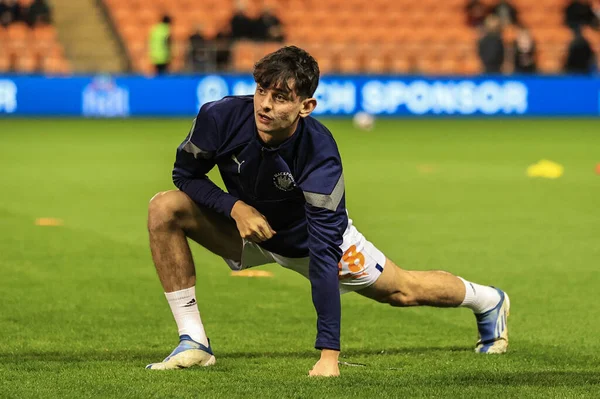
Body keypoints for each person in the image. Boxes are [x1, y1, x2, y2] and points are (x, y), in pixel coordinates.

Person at [145, 46, 511, 376]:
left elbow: (323, 253)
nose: (265, 105)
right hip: (251, 228)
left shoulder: (319, 154)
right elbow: (185, 175)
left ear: (306, 106)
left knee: (404, 290)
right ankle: (194, 342)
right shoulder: (220, 117)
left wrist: (328, 355)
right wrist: (235, 206)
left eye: (281, 97)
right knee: (164, 208)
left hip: (311, 241)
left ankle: (489, 301)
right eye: (261, 91)